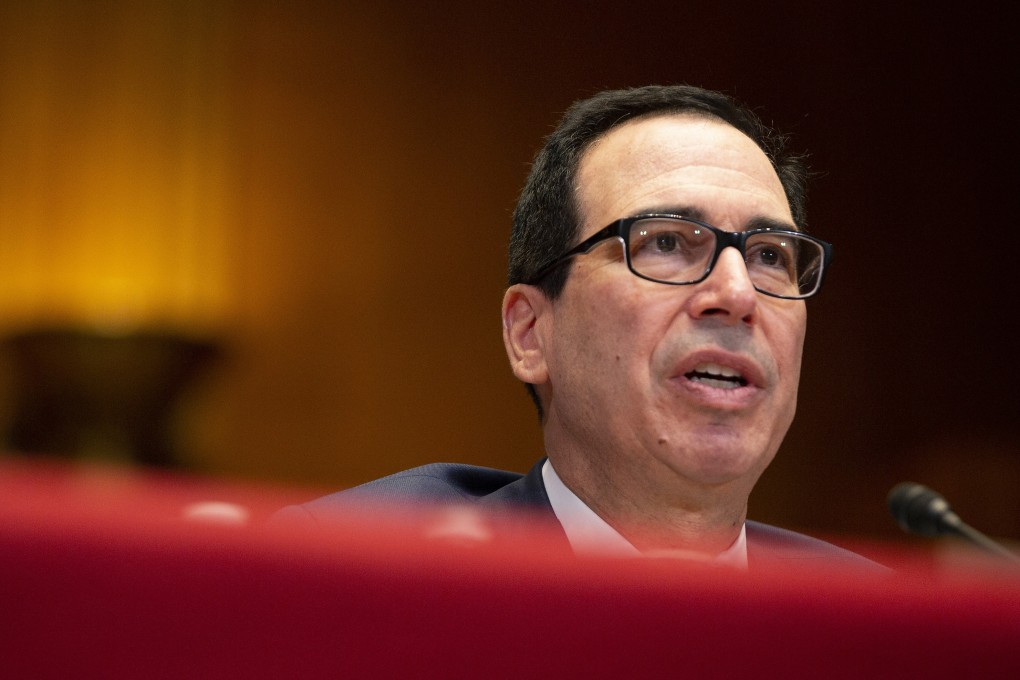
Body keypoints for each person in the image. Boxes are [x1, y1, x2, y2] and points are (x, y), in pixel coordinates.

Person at [277, 84, 878, 570]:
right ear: (530, 334)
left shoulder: (875, 625)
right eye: (667, 242)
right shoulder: (349, 567)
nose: (738, 293)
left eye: (770, 255)